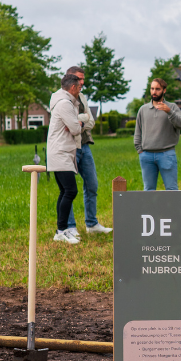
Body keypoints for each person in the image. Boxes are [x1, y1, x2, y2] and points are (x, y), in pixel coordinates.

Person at [51, 66, 112, 234]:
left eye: (83, 79)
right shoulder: (59, 98)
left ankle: (92, 224)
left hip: (85, 145)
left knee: (92, 184)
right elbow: (68, 122)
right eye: (79, 79)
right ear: (70, 80)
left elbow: (90, 121)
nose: (82, 82)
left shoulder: (82, 97)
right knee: (68, 190)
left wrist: (79, 122)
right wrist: (78, 122)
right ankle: (70, 227)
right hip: (70, 147)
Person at [46, 73, 87, 244]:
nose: (80, 90)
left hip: (59, 152)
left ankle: (61, 230)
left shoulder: (62, 101)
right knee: (70, 191)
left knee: (65, 191)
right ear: (73, 87)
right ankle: (61, 231)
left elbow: (73, 127)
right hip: (60, 153)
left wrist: (76, 124)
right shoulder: (65, 104)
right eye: (79, 87)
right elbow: (75, 129)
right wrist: (81, 124)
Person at [133, 77, 181, 190]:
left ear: (164, 90)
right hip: (146, 156)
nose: (154, 92)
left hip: (166, 154)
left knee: (171, 189)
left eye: (157, 89)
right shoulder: (143, 109)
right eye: (152, 89)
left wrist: (169, 112)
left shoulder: (172, 107)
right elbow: (138, 131)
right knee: (149, 190)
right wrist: (140, 151)